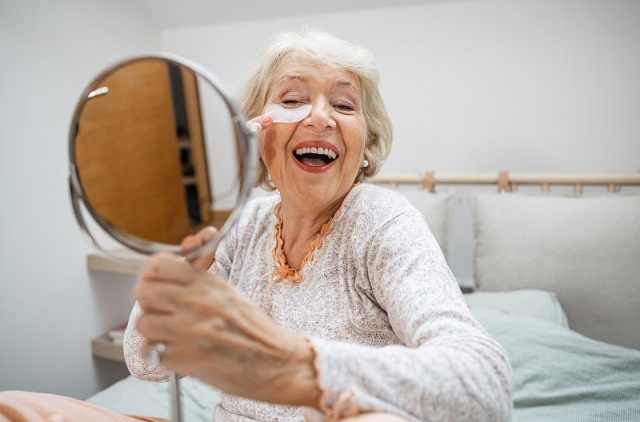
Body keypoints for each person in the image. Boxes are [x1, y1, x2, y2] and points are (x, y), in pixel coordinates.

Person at [0, 28, 511, 421]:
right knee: (16, 406)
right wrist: (188, 268)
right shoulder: (240, 226)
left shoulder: (381, 220)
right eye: (291, 100)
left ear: (364, 142)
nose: (320, 117)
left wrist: (298, 368)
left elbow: (485, 385)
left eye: (344, 103)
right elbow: (149, 362)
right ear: (256, 135)